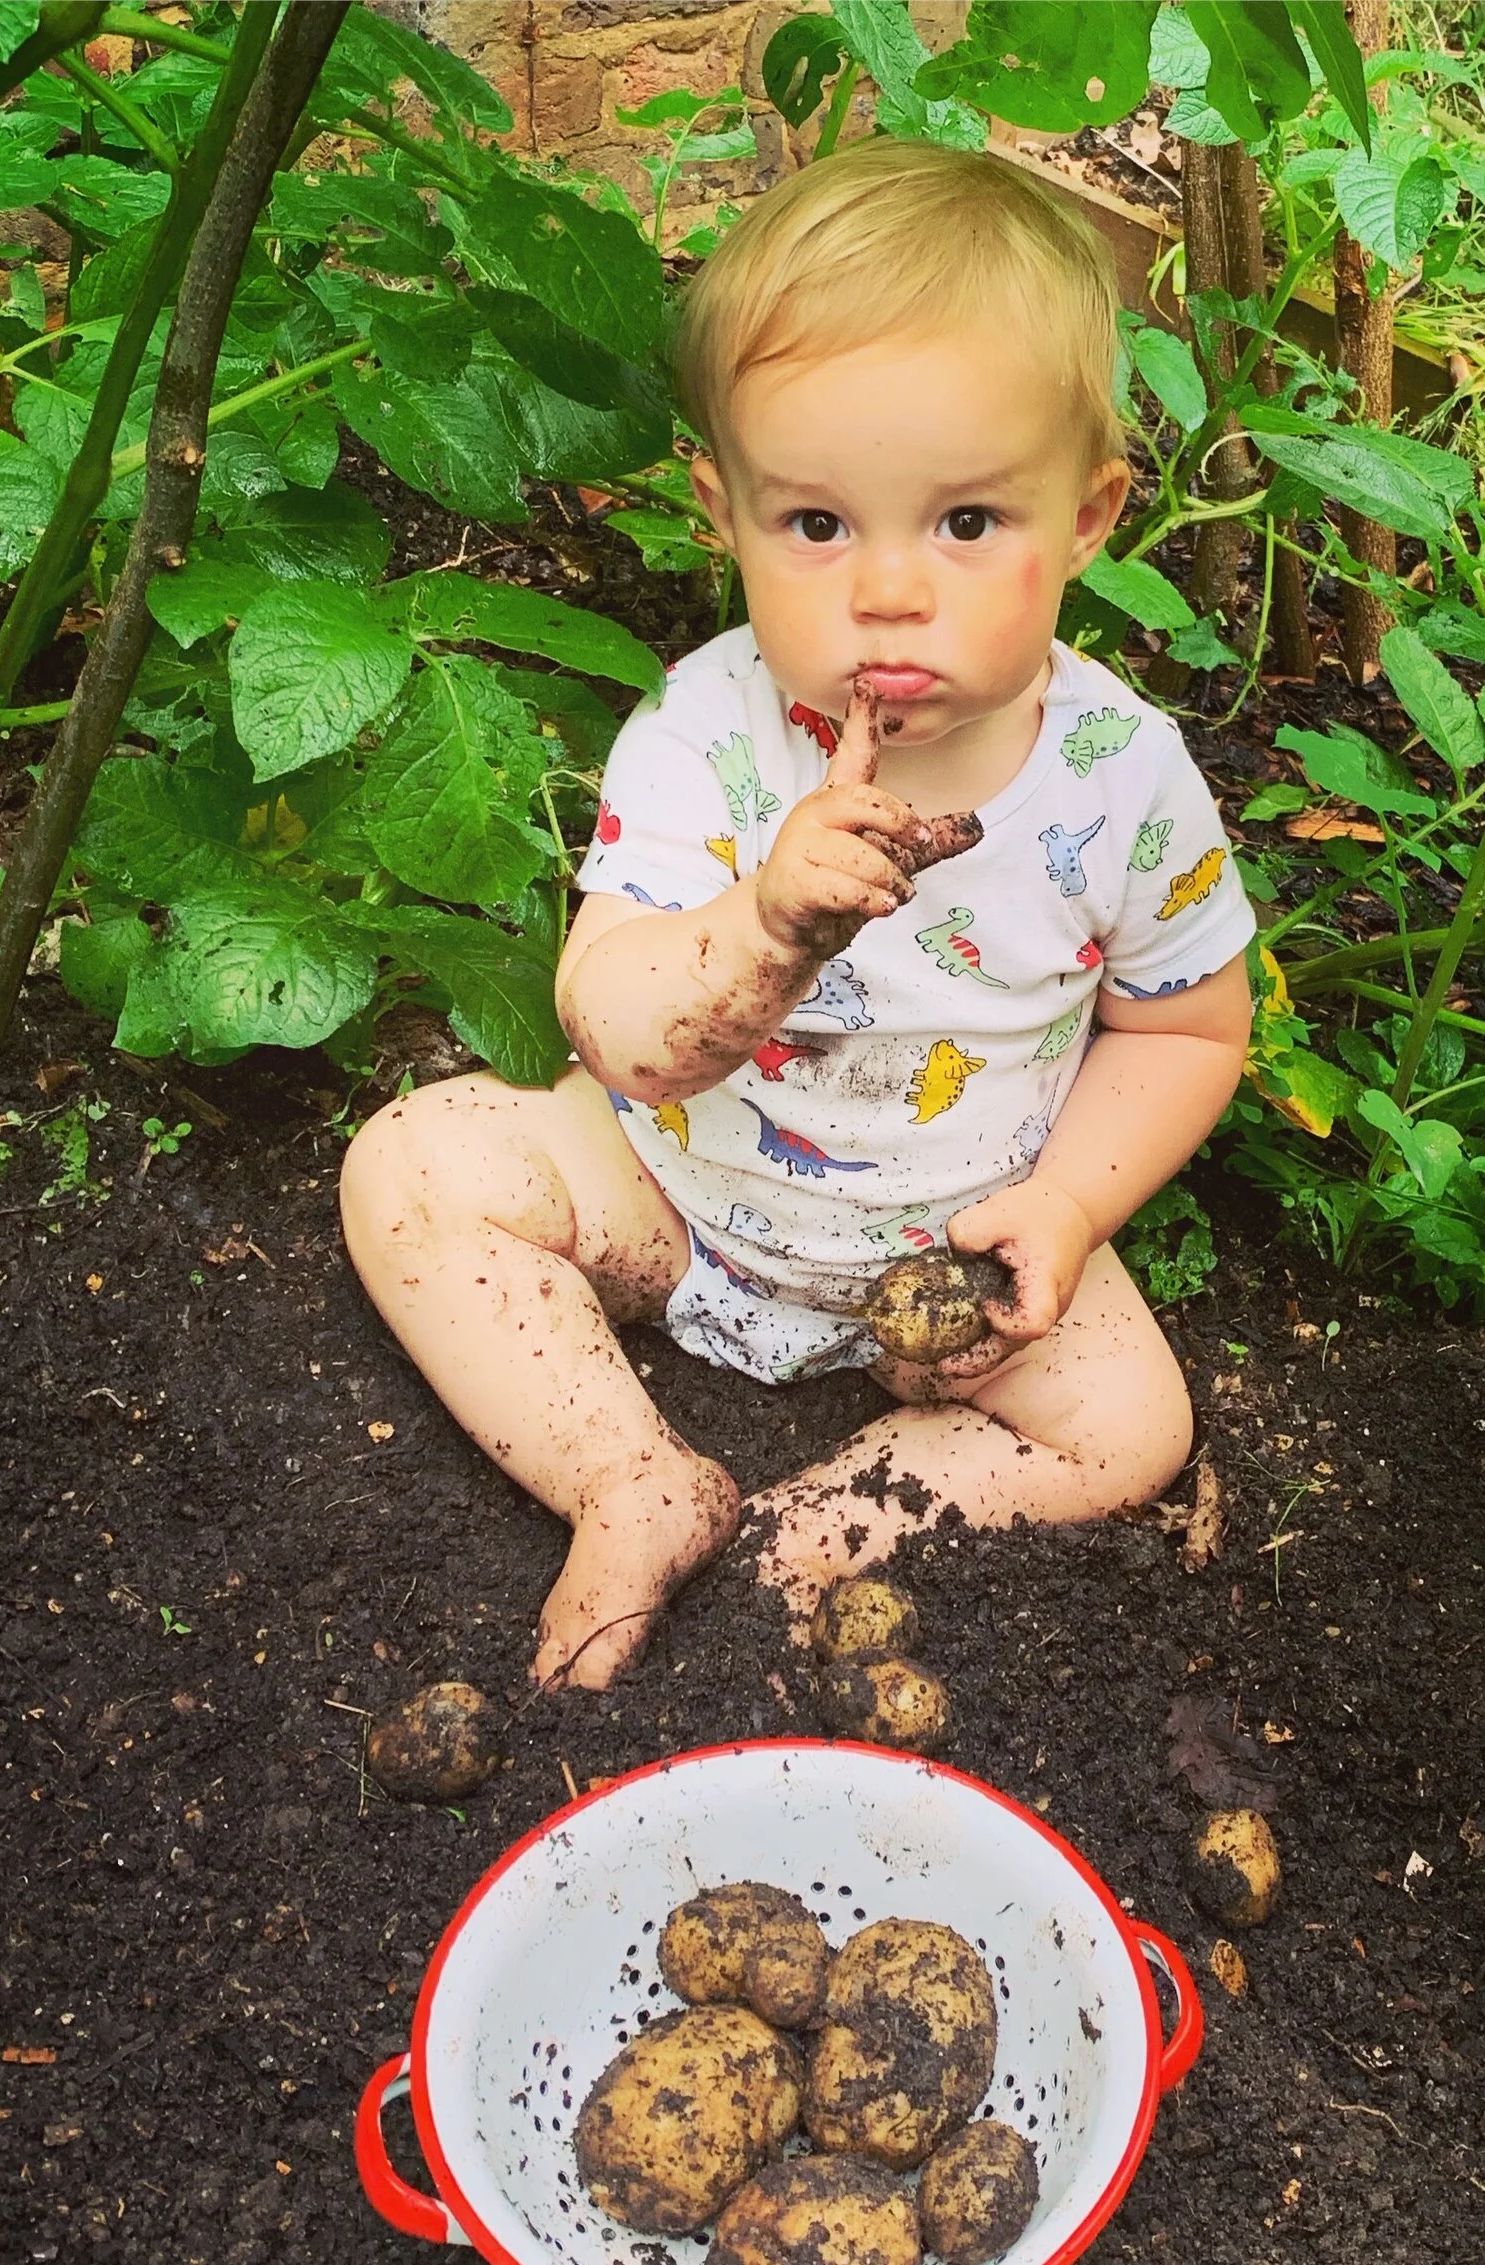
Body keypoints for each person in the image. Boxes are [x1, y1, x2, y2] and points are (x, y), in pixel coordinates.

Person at [341, 139, 1255, 1689]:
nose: (889, 588)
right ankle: (628, 1471)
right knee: (414, 1169)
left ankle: (843, 1512)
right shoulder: (708, 732)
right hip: (677, 1208)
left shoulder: (1121, 777)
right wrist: (761, 927)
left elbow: (1185, 1027)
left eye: (967, 523)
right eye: (818, 525)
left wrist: (1070, 1209)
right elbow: (614, 1028)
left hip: (951, 1270)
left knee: (1133, 1425)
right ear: (724, 511)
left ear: (1091, 513)